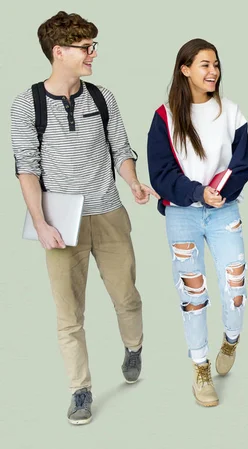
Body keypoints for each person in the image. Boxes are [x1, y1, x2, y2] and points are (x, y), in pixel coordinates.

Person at [10, 11, 157, 425]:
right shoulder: (27, 104)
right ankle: (80, 390)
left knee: (126, 296)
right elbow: (27, 168)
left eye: (93, 45)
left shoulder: (102, 97)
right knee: (69, 314)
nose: (94, 53)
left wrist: (132, 182)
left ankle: (133, 346)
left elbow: (120, 148)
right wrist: (40, 223)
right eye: (86, 47)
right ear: (60, 53)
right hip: (61, 222)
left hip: (108, 212)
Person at [147, 38, 248, 407]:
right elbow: (160, 173)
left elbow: (243, 164)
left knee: (234, 287)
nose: (213, 72)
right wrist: (196, 192)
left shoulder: (232, 113)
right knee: (193, 296)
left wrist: (216, 192)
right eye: (205, 65)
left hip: (224, 210)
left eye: (216, 65)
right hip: (182, 214)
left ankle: (231, 339)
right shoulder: (166, 117)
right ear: (185, 69)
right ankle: (200, 366)